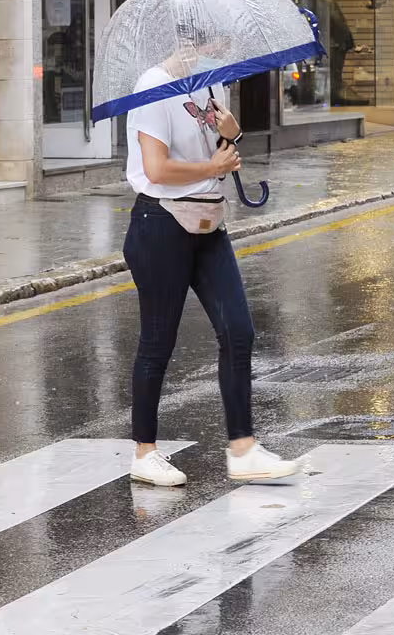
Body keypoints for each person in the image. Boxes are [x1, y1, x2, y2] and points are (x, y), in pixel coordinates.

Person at [122, 35, 300, 487]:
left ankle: (243, 450)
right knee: (157, 342)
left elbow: (217, 148)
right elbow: (157, 168)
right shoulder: (153, 87)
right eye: (214, 38)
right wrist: (212, 168)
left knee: (238, 331)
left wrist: (233, 133)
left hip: (208, 222)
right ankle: (144, 452)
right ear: (188, 38)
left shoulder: (212, 83)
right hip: (160, 223)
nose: (221, 45)